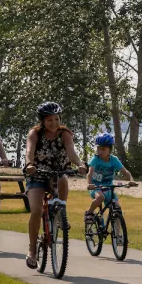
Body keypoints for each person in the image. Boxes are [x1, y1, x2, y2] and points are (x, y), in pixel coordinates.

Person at [22, 101, 84, 268]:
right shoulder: (34, 133)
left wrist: (79, 164)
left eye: (56, 119)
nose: (54, 123)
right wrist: (29, 165)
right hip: (37, 173)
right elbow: (29, 151)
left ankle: (60, 214)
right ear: (42, 121)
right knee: (35, 210)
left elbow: (72, 152)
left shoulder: (65, 133)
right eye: (49, 120)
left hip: (57, 172)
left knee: (62, 178)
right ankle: (33, 249)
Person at [85, 132, 136, 224]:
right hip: (96, 186)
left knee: (117, 208)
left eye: (103, 149)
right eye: (98, 148)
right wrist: (89, 184)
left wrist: (131, 181)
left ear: (110, 150)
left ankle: (118, 235)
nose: (100, 151)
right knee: (100, 198)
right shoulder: (95, 159)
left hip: (109, 187)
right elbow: (89, 174)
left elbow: (125, 172)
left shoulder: (114, 160)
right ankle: (89, 212)